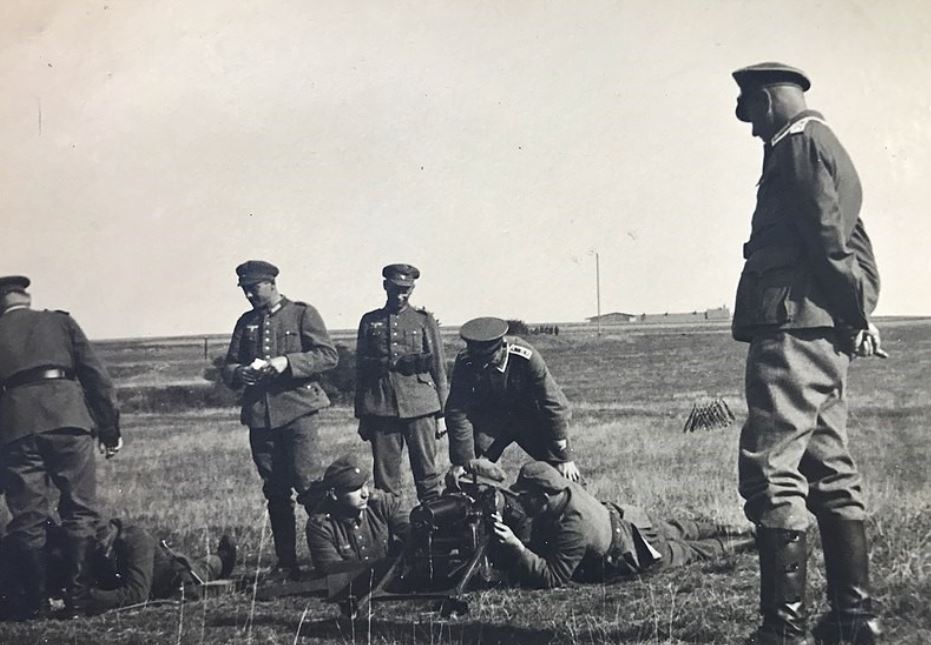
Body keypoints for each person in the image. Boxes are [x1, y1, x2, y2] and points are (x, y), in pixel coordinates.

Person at [730, 62, 884, 645]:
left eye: (751, 114)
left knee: (772, 472)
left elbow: (831, 237)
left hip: (793, 329)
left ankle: (783, 633)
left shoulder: (801, 143)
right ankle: (853, 620)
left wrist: (855, 309)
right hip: (818, 328)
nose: (751, 130)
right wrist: (854, 311)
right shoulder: (819, 144)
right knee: (829, 468)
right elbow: (849, 241)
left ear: (768, 100)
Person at [0, 275, 122, 619]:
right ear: (25, 297)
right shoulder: (60, 321)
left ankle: (35, 604)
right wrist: (110, 429)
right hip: (69, 422)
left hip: (16, 429)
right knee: (80, 509)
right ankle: (78, 601)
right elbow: (96, 377)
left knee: (27, 515)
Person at [221, 260, 338, 579]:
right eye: (244, 289)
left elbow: (328, 355)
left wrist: (288, 362)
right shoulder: (245, 322)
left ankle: (329, 560)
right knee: (275, 490)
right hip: (261, 416)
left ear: (271, 283)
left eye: (253, 288)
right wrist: (238, 373)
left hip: (298, 411)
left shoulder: (302, 313)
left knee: (309, 485)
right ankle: (287, 562)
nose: (248, 295)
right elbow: (230, 364)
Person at [490, 461, 753, 589]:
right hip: (630, 518)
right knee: (682, 528)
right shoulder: (563, 487)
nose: (523, 502)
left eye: (526, 497)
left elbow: (553, 577)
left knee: (690, 551)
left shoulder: (573, 525)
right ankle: (735, 528)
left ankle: (749, 541)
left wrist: (518, 548)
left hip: (635, 550)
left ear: (544, 497)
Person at [445, 317, 580, 485]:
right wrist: (462, 460)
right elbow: (457, 410)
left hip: (531, 420)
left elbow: (553, 404)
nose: (483, 365)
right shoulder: (466, 361)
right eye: (479, 359)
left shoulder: (526, 356)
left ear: (502, 346)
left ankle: (588, 507)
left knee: (565, 476)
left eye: (489, 358)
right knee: (470, 476)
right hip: (492, 425)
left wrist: (564, 456)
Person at [355, 264, 448, 502]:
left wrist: (441, 414)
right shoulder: (369, 321)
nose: (401, 295)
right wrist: (363, 415)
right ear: (385, 286)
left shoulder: (423, 321)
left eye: (406, 290)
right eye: (396, 289)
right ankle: (391, 535)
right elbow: (361, 372)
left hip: (420, 407)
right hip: (381, 407)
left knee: (427, 475)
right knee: (385, 482)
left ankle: (434, 531)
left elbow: (438, 368)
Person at [43, 518, 237, 613]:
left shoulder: (134, 539)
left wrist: (87, 598)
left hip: (177, 580)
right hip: (151, 579)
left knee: (204, 570)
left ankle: (223, 558)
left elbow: (137, 594)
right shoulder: (92, 547)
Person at [305, 455, 409, 575]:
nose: (365, 494)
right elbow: (332, 571)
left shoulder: (380, 503)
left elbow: (409, 529)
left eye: (365, 485)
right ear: (334, 494)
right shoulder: (321, 526)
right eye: (355, 489)